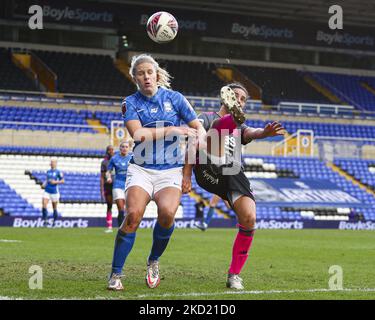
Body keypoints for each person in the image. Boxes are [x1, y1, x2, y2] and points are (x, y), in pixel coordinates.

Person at [107, 53, 205, 291]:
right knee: (132, 216)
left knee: (167, 214)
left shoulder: (176, 98)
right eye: (140, 73)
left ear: (157, 74)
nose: (146, 76)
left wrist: (189, 166)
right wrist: (173, 129)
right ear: (135, 78)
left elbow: (199, 131)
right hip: (141, 169)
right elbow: (138, 135)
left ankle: (153, 261)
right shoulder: (130, 103)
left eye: (149, 72)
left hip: (170, 170)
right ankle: (115, 274)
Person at [183, 82, 285, 290]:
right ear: (225, 97)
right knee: (210, 135)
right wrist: (186, 176)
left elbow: (251, 132)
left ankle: (234, 275)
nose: (240, 100)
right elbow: (194, 141)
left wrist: (264, 133)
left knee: (249, 218)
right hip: (207, 168)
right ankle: (224, 125)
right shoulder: (207, 116)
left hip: (232, 175)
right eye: (235, 96)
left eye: (243, 99)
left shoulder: (241, 127)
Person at [106, 141, 132, 229]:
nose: (124, 148)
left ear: (129, 148)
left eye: (126, 147)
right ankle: (121, 228)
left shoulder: (132, 158)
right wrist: (108, 177)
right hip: (117, 185)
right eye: (123, 147)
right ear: (120, 148)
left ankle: (128, 226)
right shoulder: (114, 158)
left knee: (129, 209)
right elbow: (108, 171)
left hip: (129, 185)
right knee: (121, 208)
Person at [42, 158, 65, 226]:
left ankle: (54, 221)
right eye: (51, 162)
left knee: (54, 207)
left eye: (53, 162)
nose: (52, 163)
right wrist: (44, 184)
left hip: (54, 191)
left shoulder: (58, 172)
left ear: (55, 163)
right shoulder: (48, 171)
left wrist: (55, 182)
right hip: (47, 190)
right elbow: (47, 180)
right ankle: (45, 221)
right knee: (44, 204)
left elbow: (63, 181)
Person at [100, 145, 115, 233]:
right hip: (108, 186)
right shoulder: (104, 162)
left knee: (121, 205)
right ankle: (109, 226)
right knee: (109, 205)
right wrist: (101, 189)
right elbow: (102, 177)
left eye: (112, 150)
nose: (111, 151)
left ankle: (123, 225)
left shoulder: (117, 160)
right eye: (109, 150)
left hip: (117, 185)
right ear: (107, 151)